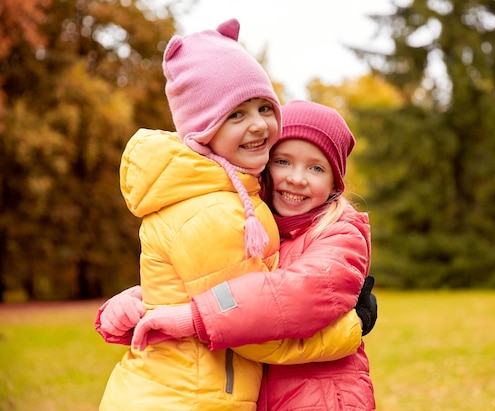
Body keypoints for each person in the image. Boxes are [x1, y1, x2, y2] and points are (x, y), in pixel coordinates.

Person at [98, 19, 370, 411]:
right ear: (203, 128)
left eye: (263, 108)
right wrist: (352, 326)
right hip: (189, 398)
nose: (258, 124)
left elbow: (231, 287)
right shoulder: (221, 210)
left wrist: (160, 307)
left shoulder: (264, 212)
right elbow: (251, 323)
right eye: (236, 115)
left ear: (336, 182)